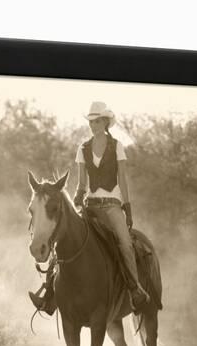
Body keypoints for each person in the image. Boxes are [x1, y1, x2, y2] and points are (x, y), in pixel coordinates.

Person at [29, 101, 150, 314]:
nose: (93, 125)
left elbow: (121, 178)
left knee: (125, 243)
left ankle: (134, 290)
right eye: (91, 122)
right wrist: (77, 197)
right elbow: (82, 183)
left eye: (97, 121)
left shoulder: (117, 146)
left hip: (112, 207)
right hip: (91, 206)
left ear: (105, 122)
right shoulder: (82, 148)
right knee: (63, 237)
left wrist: (127, 207)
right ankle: (50, 294)